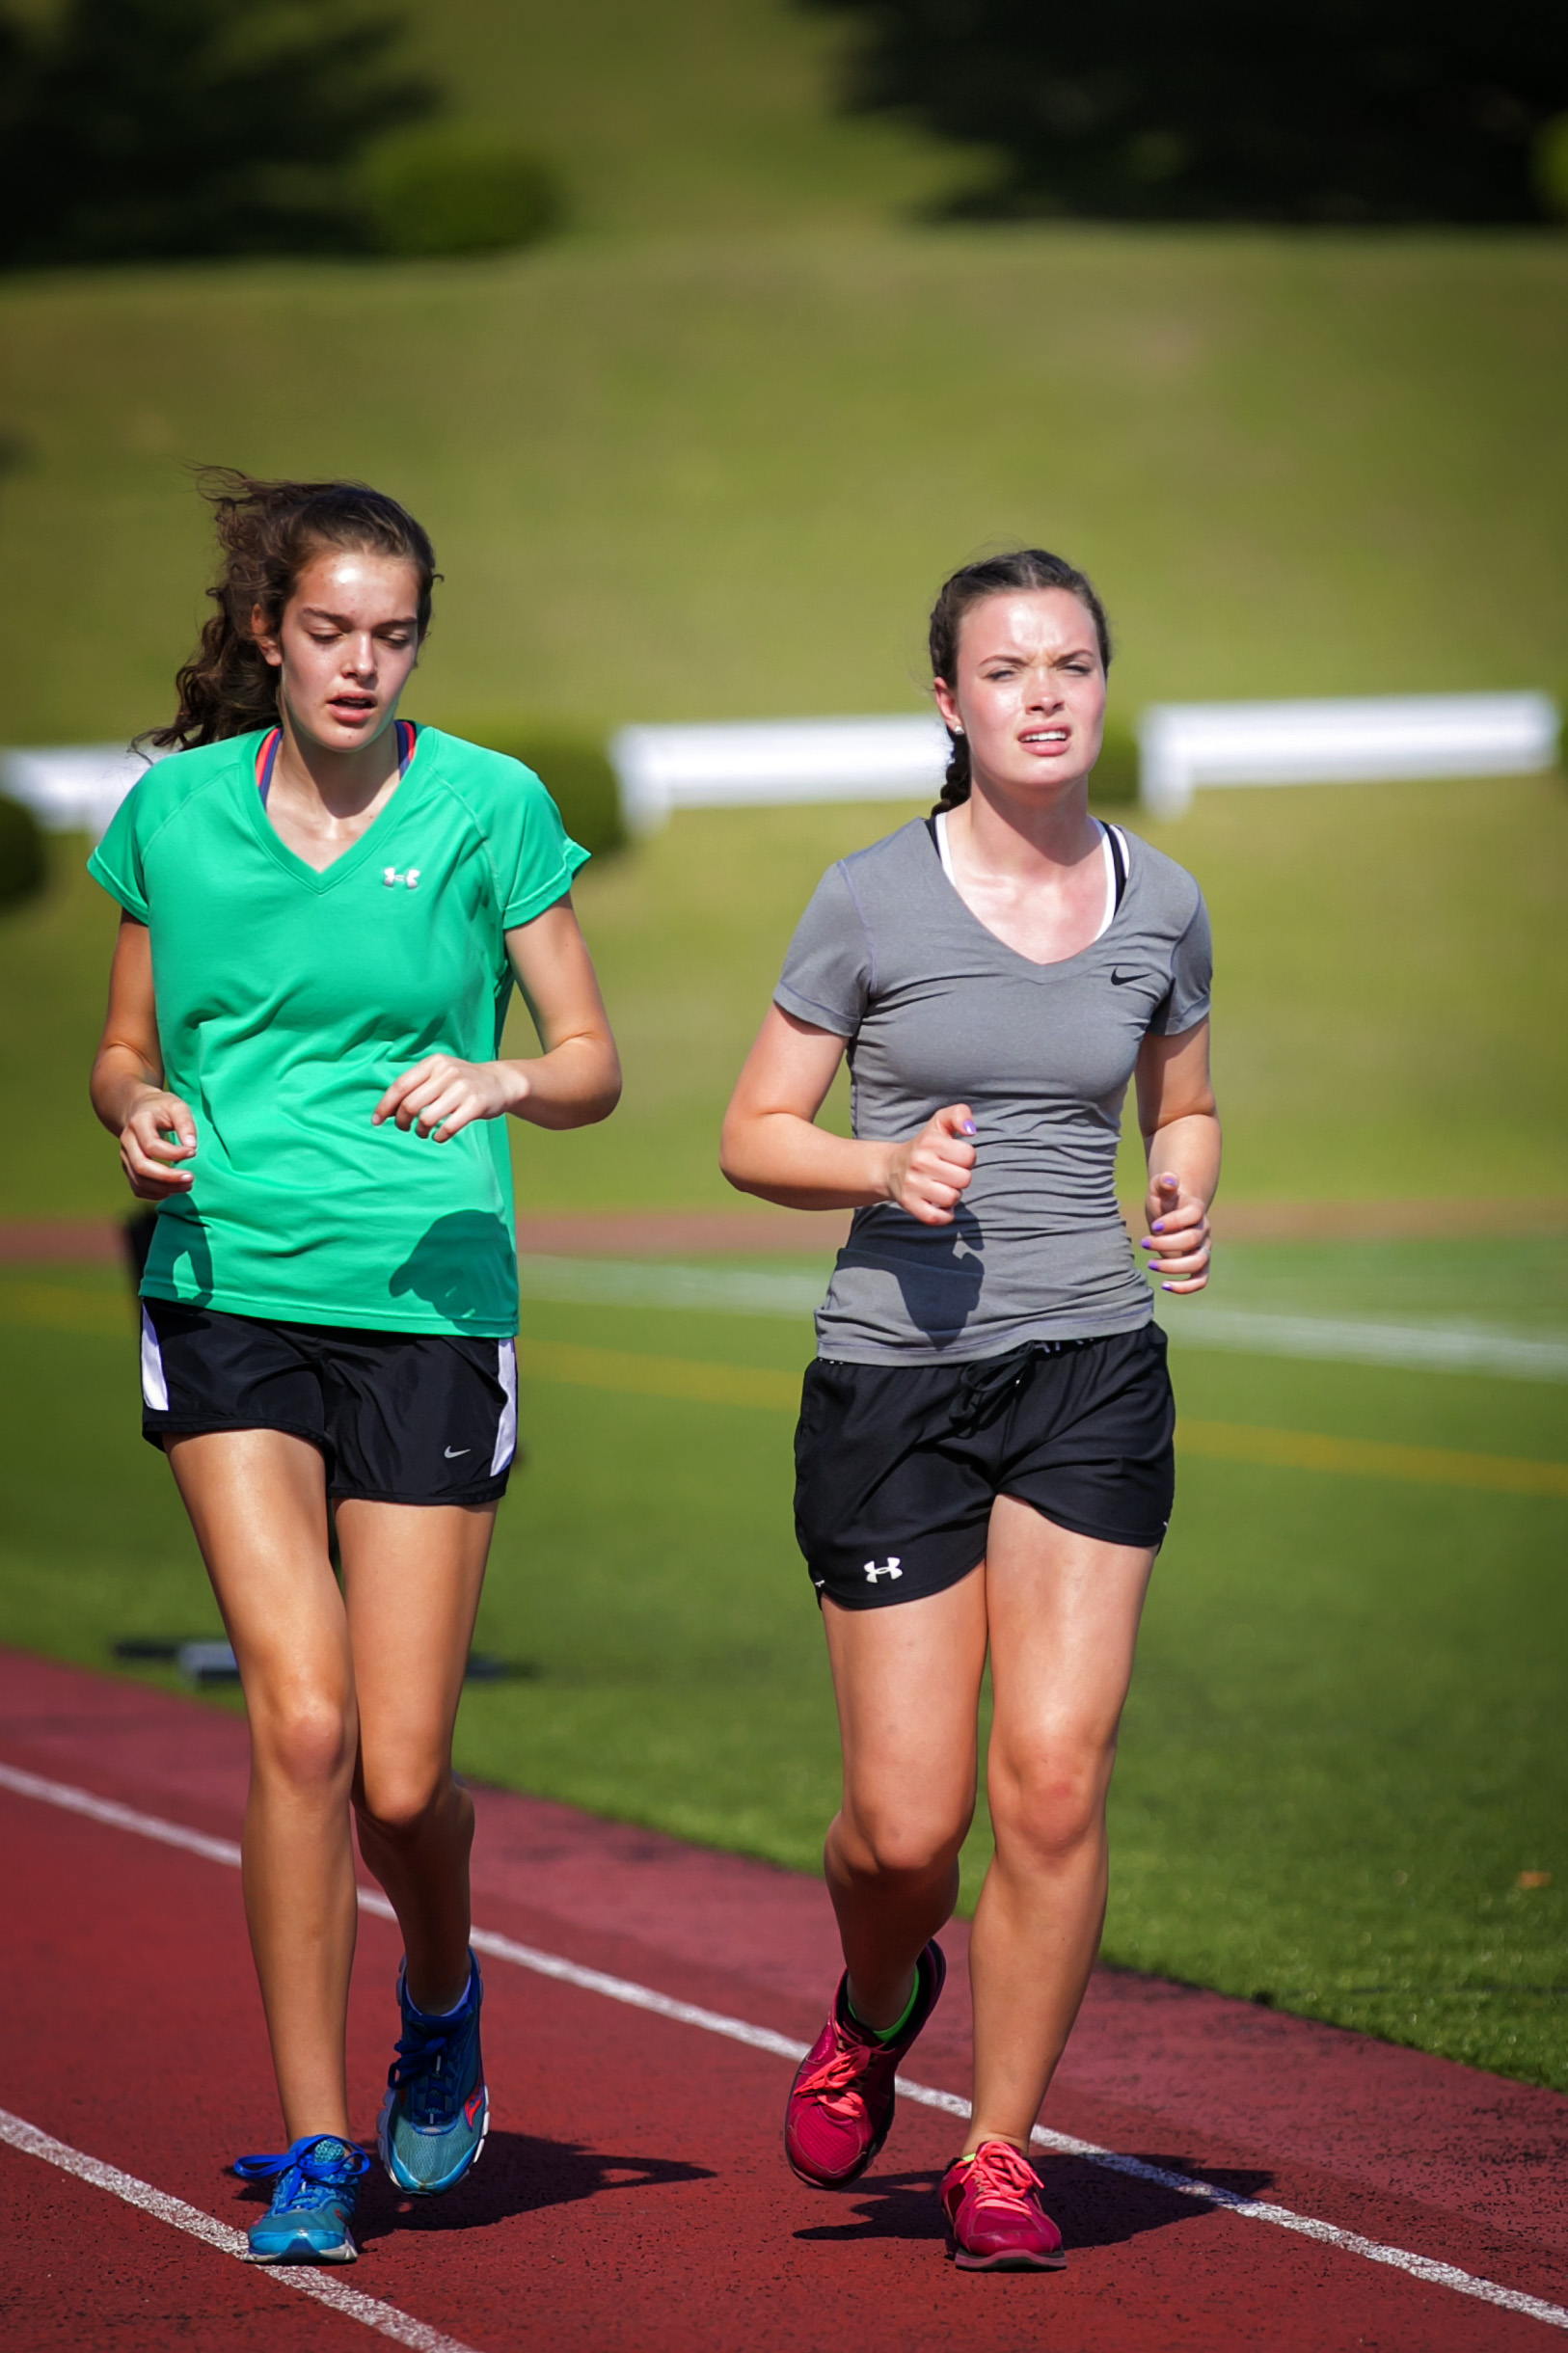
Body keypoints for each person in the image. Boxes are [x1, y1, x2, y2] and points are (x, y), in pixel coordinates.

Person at [88, 473, 620, 2263]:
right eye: (329, 631)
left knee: (399, 1780)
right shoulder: (170, 812)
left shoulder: (490, 804)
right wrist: (136, 1108)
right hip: (229, 1282)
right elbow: (120, 1045)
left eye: (394, 635)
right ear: (270, 630)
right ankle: (318, 2140)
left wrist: (506, 1076)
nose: (361, 664)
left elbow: (591, 1054)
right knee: (298, 1723)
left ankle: (442, 1986)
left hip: (432, 1298)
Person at [720, 549, 1218, 2272]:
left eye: (1069, 662)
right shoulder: (868, 897)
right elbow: (753, 1131)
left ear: (1101, 683)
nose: (1042, 694)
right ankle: (876, 1997)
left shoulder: (1162, 897)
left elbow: (1183, 1098)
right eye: (1005, 669)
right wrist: (880, 1165)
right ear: (949, 700)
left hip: (1090, 1367)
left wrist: (1181, 1183)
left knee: (1055, 1780)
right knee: (905, 1832)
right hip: (893, 1383)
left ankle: (997, 2151)